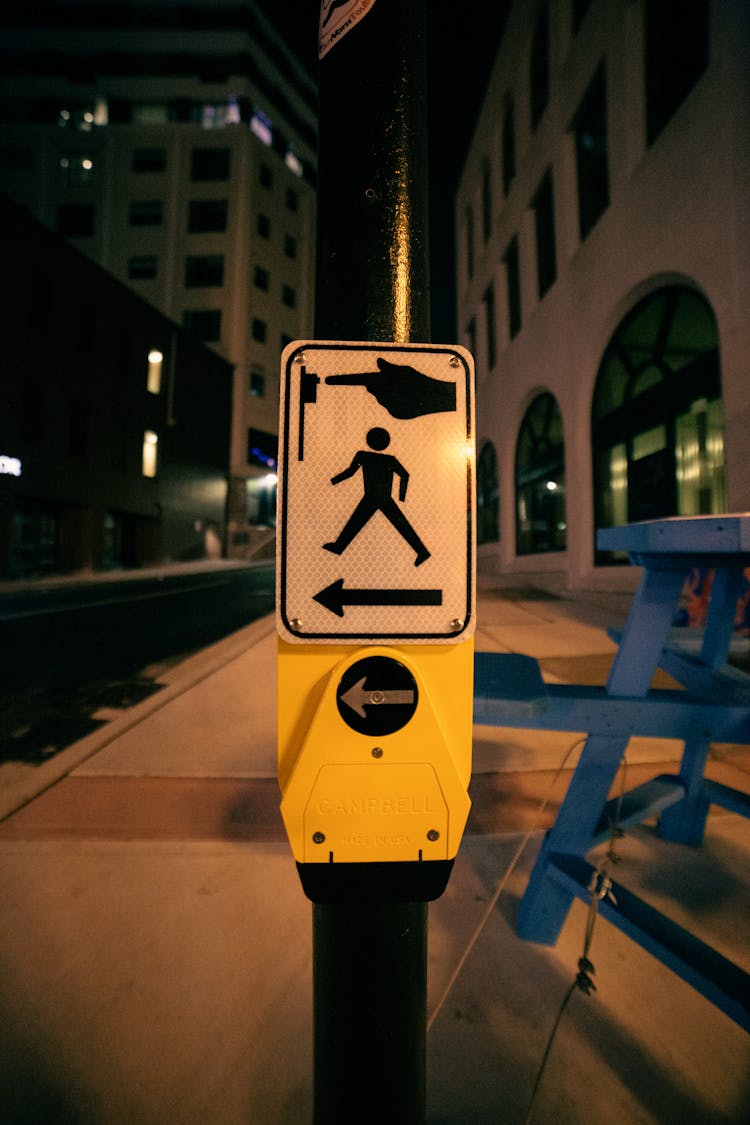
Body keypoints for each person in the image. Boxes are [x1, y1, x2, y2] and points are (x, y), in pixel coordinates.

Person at [322, 427, 430, 566]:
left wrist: (332, 481)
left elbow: (350, 472)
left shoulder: (363, 456)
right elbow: (405, 475)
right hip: (380, 498)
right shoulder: (388, 459)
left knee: (360, 522)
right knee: (397, 525)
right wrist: (401, 496)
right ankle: (338, 547)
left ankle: (339, 547)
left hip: (375, 498)